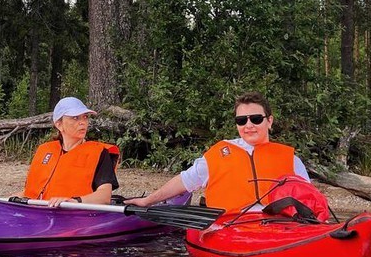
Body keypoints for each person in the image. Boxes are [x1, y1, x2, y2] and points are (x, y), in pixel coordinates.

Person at [125, 91, 309, 213]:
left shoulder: (291, 160)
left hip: (278, 228)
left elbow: (309, 201)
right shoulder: (218, 154)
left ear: (269, 121)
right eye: (241, 121)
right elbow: (184, 181)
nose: (249, 125)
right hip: (228, 227)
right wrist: (147, 201)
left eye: (255, 119)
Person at [22, 96, 119, 207]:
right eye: (75, 118)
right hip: (40, 213)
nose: (83, 122)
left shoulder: (99, 152)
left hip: (77, 215)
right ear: (59, 125)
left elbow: (104, 196)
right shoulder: (44, 150)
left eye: (85, 117)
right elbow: (28, 193)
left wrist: (75, 201)